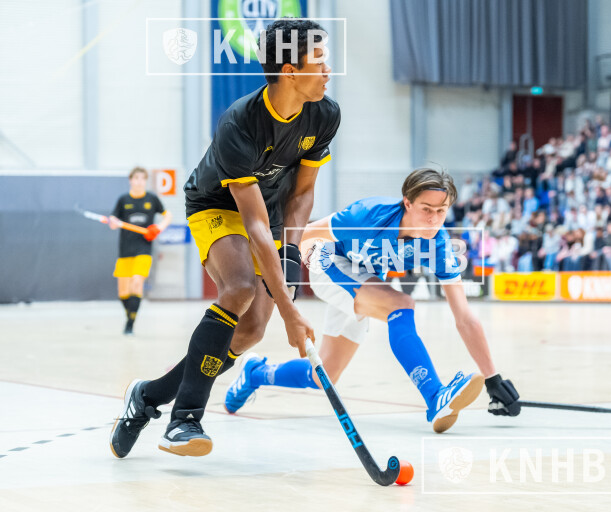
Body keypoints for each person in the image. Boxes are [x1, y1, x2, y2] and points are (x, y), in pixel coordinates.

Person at [109, 19, 340, 459]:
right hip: (217, 203)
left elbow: (302, 193)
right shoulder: (239, 123)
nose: (329, 69)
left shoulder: (325, 114)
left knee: (251, 330)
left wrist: (291, 256)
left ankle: (148, 395)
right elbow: (252, 224)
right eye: (320, 60)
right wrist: (290, 309)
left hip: (272, 214)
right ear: (290, 71)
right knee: (239, 289)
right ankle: (184, 420)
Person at [224, 169, 522, 433]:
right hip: (330, 263)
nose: (434, 219)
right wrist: (286, 273)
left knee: (324, 375)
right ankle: (435, 397)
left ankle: (256, 373)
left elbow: (464, 317)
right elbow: (307, 233)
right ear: (407, 203)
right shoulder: (367, 215)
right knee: (400, 305)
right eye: (426, 209)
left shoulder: (440, 245)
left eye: (441, 211)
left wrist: (493, 378)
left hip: (365, 278)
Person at [109, 167, 172, 335]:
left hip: (143, 249)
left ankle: (130, 325)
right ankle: (130, 315)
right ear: (131, 180)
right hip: (125, 250)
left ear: (145, 181)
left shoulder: (152, 199)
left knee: (137, 282)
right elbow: (114, 220)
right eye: (136, 178)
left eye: (142, 178)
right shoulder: (123, 200)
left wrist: (158, 228)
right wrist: (113, 222)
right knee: (123, 293)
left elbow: (168, 215)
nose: (139, 181)